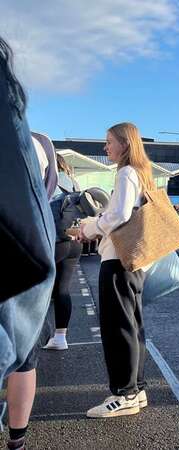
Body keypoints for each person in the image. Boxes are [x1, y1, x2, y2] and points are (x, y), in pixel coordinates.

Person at [1, 36, 58, 447]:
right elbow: (39, 205)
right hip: (22, 260)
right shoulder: (39, 144)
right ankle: (17, 438)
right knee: (24, 357)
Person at [79, 122, 154, 418]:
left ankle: (124, 394)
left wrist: (90, 227)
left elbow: (120, 214)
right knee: (132, 324)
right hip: (134, 261)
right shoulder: (141, 173)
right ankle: (136, 388)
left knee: (117, 326)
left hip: (117, 259)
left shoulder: (126, 172)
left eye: (109, 141)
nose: (105, 147)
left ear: (125, 143)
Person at [41, 154, 83, 351]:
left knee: (40, 289)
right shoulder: (74, 183)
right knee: (63, 289)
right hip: (74, 241)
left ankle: (38, 336)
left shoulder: (48, 179)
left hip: (53, 240)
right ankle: (60, 337)